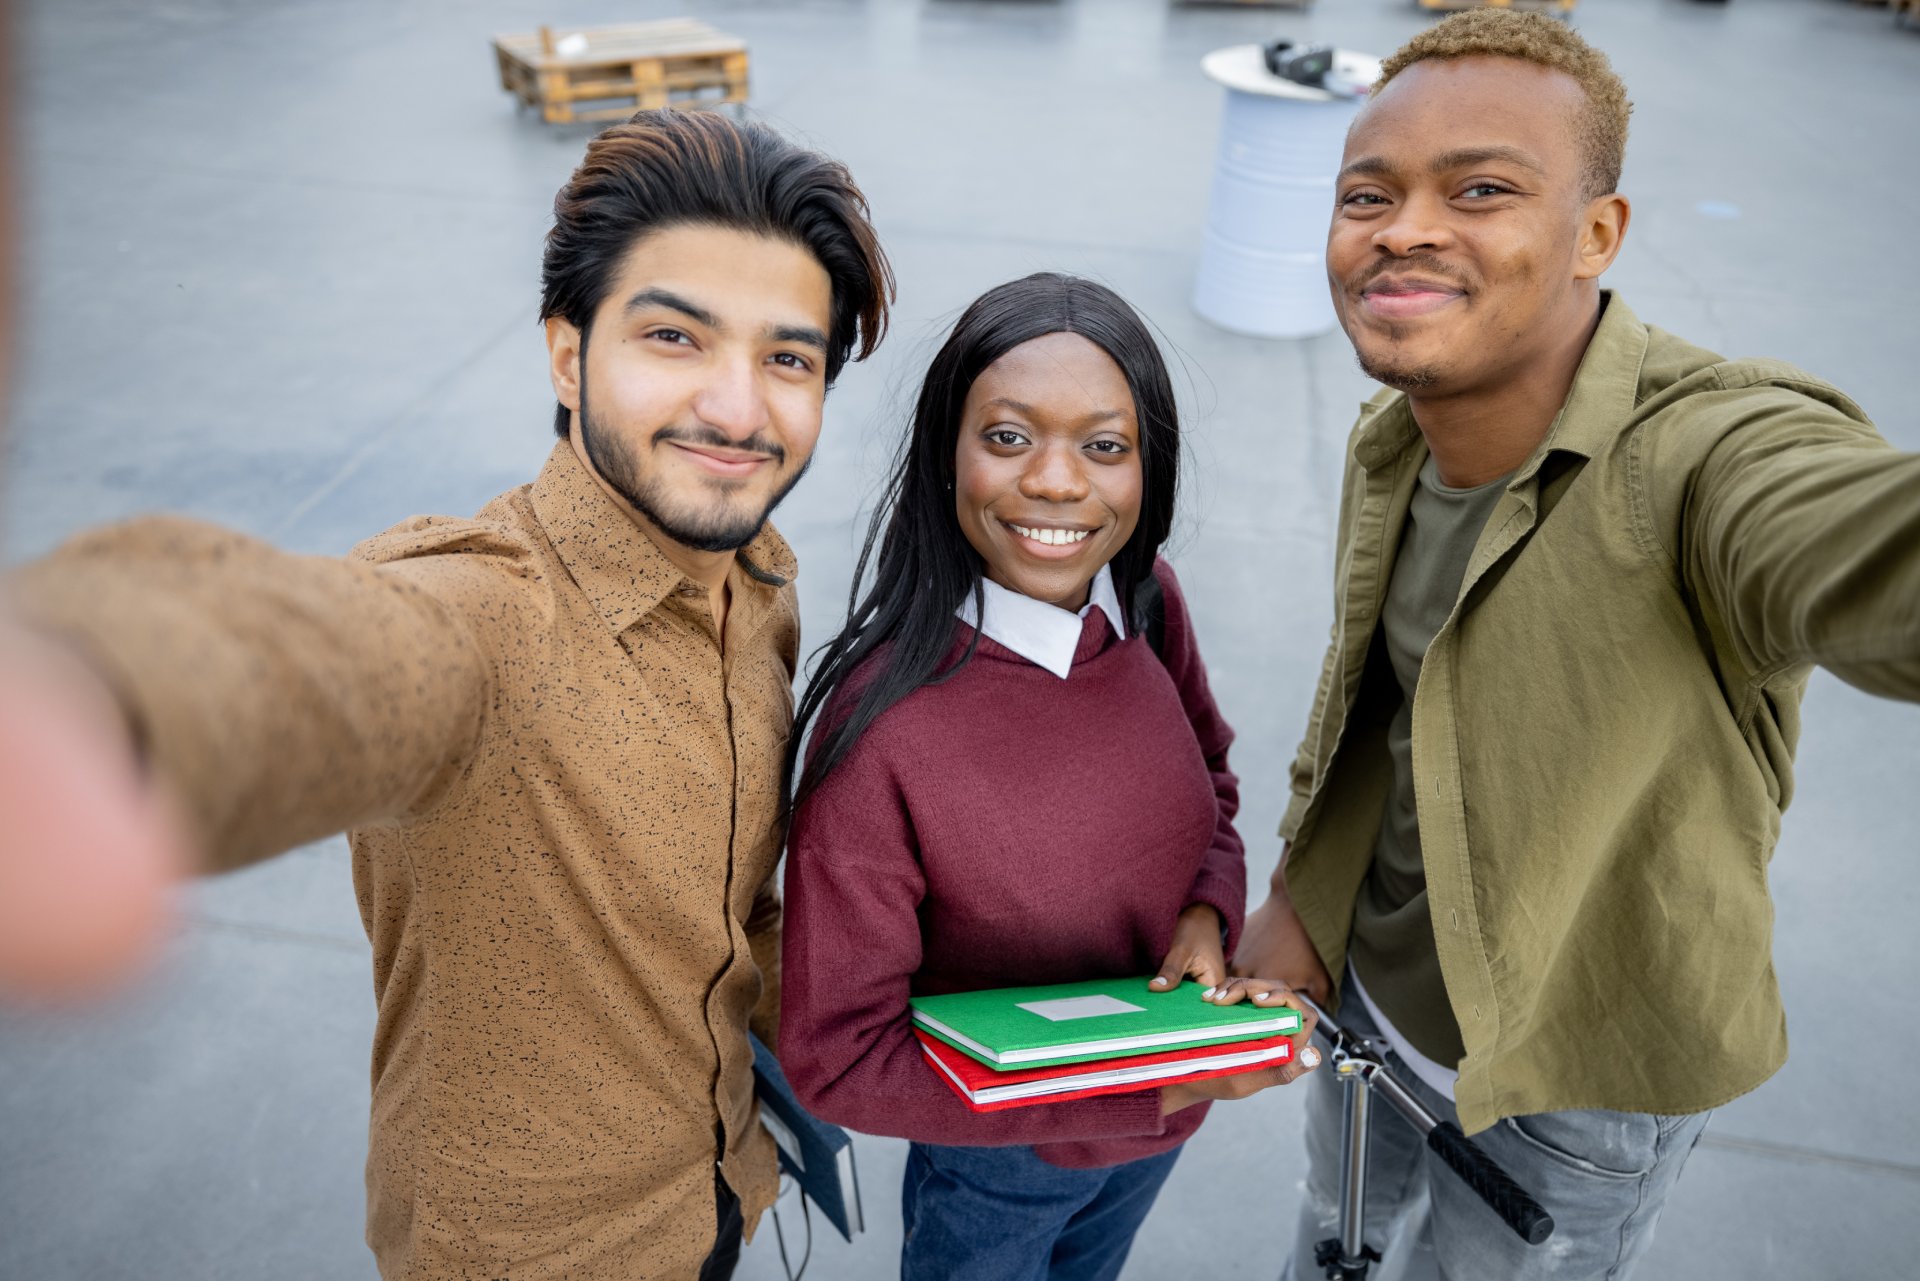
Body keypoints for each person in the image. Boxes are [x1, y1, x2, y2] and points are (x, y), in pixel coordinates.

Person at [2, 108, 892, 1280]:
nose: (739, 410)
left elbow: (729, 926)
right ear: (568, 355)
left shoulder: (759, 588)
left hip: (724, 1187)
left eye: (788, 358)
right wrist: (96, 686)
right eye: (674, 337)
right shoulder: (486, 617)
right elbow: (333, 654)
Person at [1229, 12, 1920, 1280]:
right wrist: (1300, 896)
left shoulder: (1708, 452)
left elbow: (1861, 542)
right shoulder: (1393, 444)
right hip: (1372, 1013)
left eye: (1480, 189)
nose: (1404, 228)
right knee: (1335, 1260)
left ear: (1597, 234)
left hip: (1572, 1088)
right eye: (1367, 194)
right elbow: (1385, 708)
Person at [778, 273, 1320, 1281]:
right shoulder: (884, 729)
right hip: (1001, 1166)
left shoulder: (1147, 604)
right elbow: (837, 1058)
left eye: (1104, 446)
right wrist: (1142, 1094)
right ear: (946, 453)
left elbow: (1212, 781)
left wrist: (1206, 916)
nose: (1059, 483)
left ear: (1147, 468)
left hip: (1156, 1136)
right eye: (1008, 437)